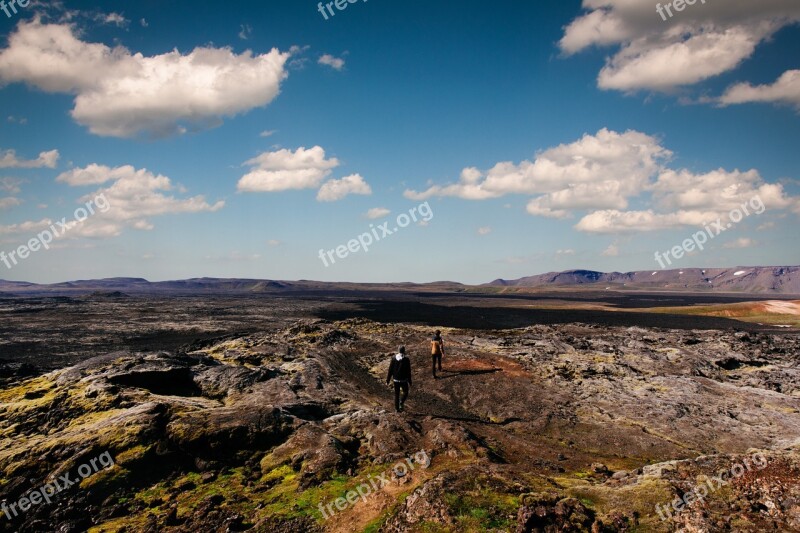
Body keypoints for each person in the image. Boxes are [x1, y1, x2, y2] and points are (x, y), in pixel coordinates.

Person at [386, 346, 412, 412]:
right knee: (405, 392)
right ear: (404, 351)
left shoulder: (393, 358)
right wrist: (410, 380)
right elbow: (408, 371)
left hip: (396, 379)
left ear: (398, 350)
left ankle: (396, 409)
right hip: (404, 380)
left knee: (396, 394)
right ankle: (401, 401)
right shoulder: (406, 359)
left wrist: (388, 380)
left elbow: (390, 370)